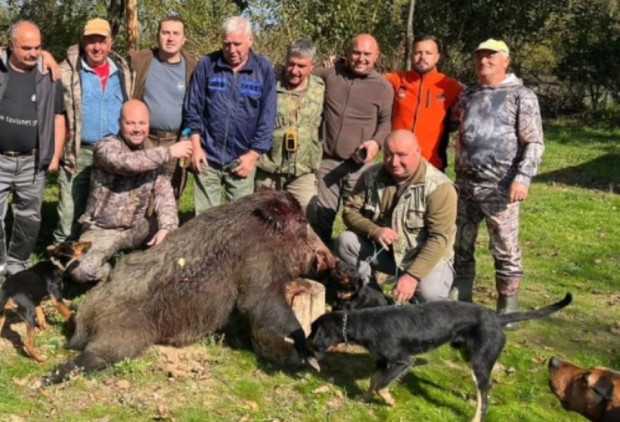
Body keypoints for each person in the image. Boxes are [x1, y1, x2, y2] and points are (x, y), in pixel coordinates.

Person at [451, 39, 544, 318]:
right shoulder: (469, 95)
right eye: (479, 56)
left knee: (505, 249)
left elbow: (534, 142)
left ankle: (507, 310)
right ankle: (461, 302)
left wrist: (523, 177)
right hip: (465, 185)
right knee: (460, 244)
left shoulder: (521, 96)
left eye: (491, 56)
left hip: (501, 188)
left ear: (506, 60)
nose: (484, 61)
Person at [68, 100, 192, 283]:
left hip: (137, 227)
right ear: (120, 123)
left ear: (148, 124)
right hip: (103, 229)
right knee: (79, 269)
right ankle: (114, 274)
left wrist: (167, 228)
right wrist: (169, 152)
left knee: (177, 242)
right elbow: (127, 162)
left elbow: (165, 194)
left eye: (142, 123)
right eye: (130, 123)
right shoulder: (105, 147)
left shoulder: (152, 155)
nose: (137, 128)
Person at [335, 129, 457, 303]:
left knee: (431, 295)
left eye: (402, 155)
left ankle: (441, 311)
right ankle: (373, 297)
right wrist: (374, 231)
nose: (394, 162)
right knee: (345, 242)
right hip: (389, 255)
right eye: (389, 155)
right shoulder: (371, 176)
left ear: (418, 153)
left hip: (426, 257)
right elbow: (349, 211)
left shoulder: (440, 188)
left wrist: (412, 276)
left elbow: (439, 239)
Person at [183, 16, 276, 214]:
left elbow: (267, 117)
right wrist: (196, 147)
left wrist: (253, 154)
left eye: (237, 44)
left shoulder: (263, 69)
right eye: (226, 44)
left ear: (250, 40)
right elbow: (193, 109)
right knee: (206, 221)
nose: (231, 50)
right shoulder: (207, 64)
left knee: (239, 222)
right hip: (207, 156)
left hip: (242, 159)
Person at [54, 18, 133, 243]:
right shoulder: (66, 71)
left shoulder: (123, 71)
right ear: (82, 42)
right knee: (69, 211)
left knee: (105, 209)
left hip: (112, 152)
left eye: (102, 41)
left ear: (110, 43)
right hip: (78, 153)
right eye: (91, 41)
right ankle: (61, 261)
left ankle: (94, 257)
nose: (97, 47)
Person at [313, 34, 393, 246]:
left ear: (376, 56)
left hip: (360, 167)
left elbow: (386, 122)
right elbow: (301, 73)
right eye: (356, 52)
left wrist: (376, 142)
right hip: (327, 162)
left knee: (360, 221)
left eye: (367, 54)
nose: (361, 58)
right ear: (347, 54)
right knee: (319, 220)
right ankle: (319, 270)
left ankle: (356, 272)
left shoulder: (383, 87)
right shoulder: (331, 74)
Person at [0, 21, 66, 276]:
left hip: (33, 159)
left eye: (38, 47)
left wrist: (55, 155)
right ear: (10, 46)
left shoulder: (48, 75)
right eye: (26, 47)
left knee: (29, 217)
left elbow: (59, 116)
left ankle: (18, 263)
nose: (33, 53)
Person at [128, 16, 198, 200]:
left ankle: (165, 230)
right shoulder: (139, 60)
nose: (170, 38)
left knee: (169, 197)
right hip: (144, 139)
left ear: (184, 39)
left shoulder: (194, 67)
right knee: (138, 195)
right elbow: (103, 56)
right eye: (165, 32)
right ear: (157, 35)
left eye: (176, 33)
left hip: (176, 141)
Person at [255, 39, 324, 219]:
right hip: (268, 169)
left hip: (302, 172)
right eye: (291, 63)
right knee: (262, 221)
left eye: (301, 66)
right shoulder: (269, 83)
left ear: (312, 66)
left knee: (309, 217)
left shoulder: (321, 88)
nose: (294, 71)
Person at [384, 35, 462, 171]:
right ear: (411, 55)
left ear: (437, 57)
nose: (422, 57)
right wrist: (342, 64)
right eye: (418, 52)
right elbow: (368, 79)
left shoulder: (450, 86)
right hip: (397, 164)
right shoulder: (396, 79)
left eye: (428, 53)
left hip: (432, 165)